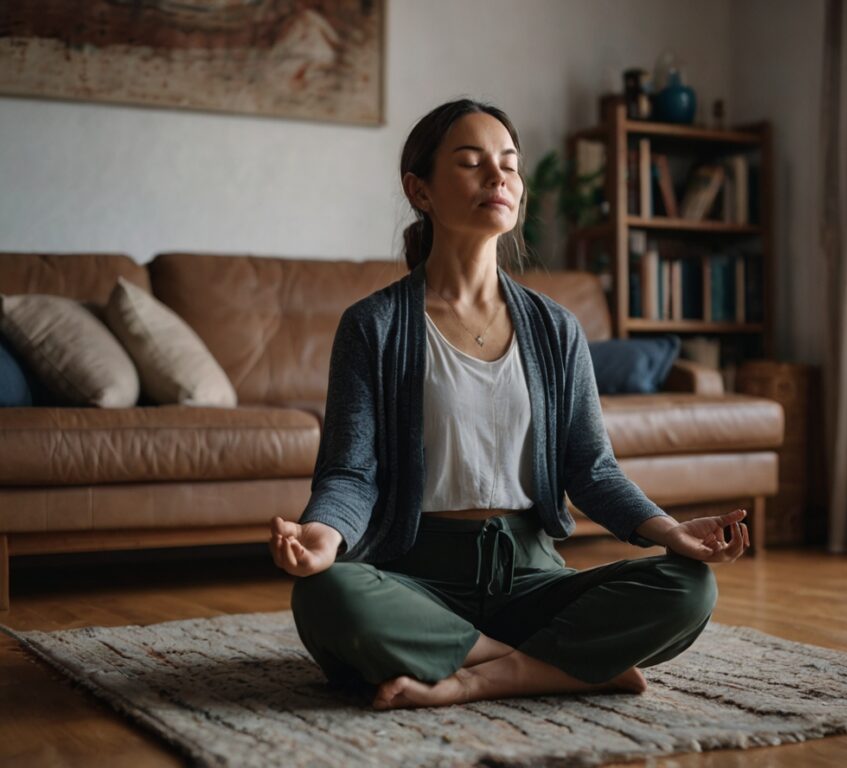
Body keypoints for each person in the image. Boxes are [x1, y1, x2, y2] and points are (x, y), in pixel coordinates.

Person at [268, 98, 750, 711]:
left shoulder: (556, 329)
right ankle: (570, 665)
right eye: (471, 163)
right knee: (325, 595)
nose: (499, 178)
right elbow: (350, 473)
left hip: (533, 578)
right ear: (420, 190)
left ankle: (475, 674)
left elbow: (591, 469)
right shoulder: (373, 326)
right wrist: (323, 534)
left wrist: (670, 530)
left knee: (688, 588)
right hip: (416, 576)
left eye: (510, 165)